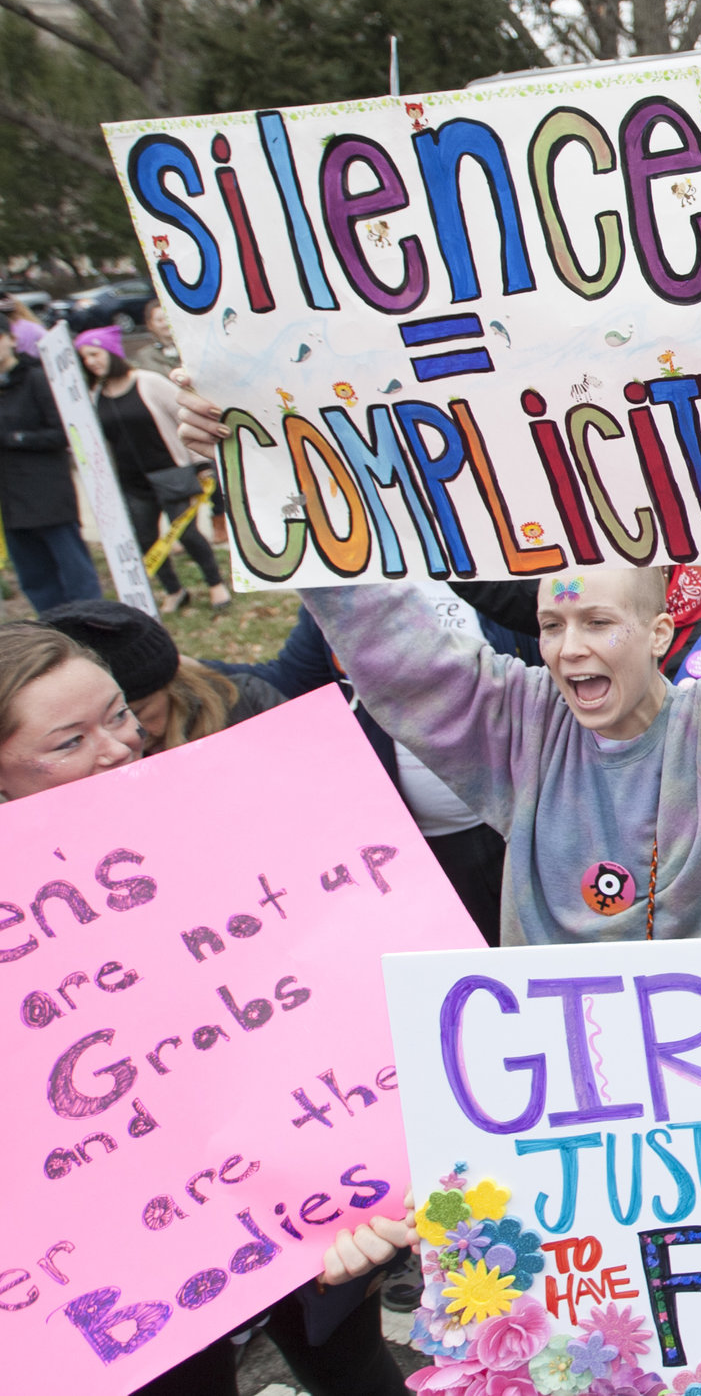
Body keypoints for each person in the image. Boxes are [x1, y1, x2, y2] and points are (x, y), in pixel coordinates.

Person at [177, 365, 701, 945]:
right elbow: (393, 646)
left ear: (657, 633)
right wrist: (260, 470)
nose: (569, 650)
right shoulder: (527, 731)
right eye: (550, 624)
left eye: (597, 621)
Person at [0, 622, 418, 1395]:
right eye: (69, 741)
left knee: (353, 1365)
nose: (119, 745)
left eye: (120, 713)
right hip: (125, 1260)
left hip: (303, 1186)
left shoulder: (216, 815)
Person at [208, 590, 537, 943]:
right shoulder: (343, 594)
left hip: (518, 830)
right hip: (414, 848)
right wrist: (190, 671)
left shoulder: (492, 577)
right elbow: (289, 680)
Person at [78, 325, 229, 612]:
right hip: (132, 481)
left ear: (111, 352)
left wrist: (200, 464)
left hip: (170, 471)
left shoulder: (148, 382)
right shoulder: (94, 395)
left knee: (188, 534)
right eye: (84, 358)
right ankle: (174, 590)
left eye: (94, 354)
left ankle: (215, 585)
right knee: (145, 538)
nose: (90, 362)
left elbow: (186, 418)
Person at [41, 597, 282, 752]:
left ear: (173, 686)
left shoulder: (247, 704)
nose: (117, 747)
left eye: (127, 713)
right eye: (74, 739)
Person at [0, 322, 100, 609]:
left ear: (11, 339)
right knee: (34, 576)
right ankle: (53, 632)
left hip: (47, 494)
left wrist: (14, 438)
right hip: (10, 501)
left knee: (74, 570)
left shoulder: (37, 379)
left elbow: (62, 433)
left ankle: (93, 622)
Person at [126, 296, 182, 377]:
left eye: (168, 318)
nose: (165, 324)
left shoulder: (191, 347)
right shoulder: (145, 355)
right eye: (159, 320)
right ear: (150, 324)